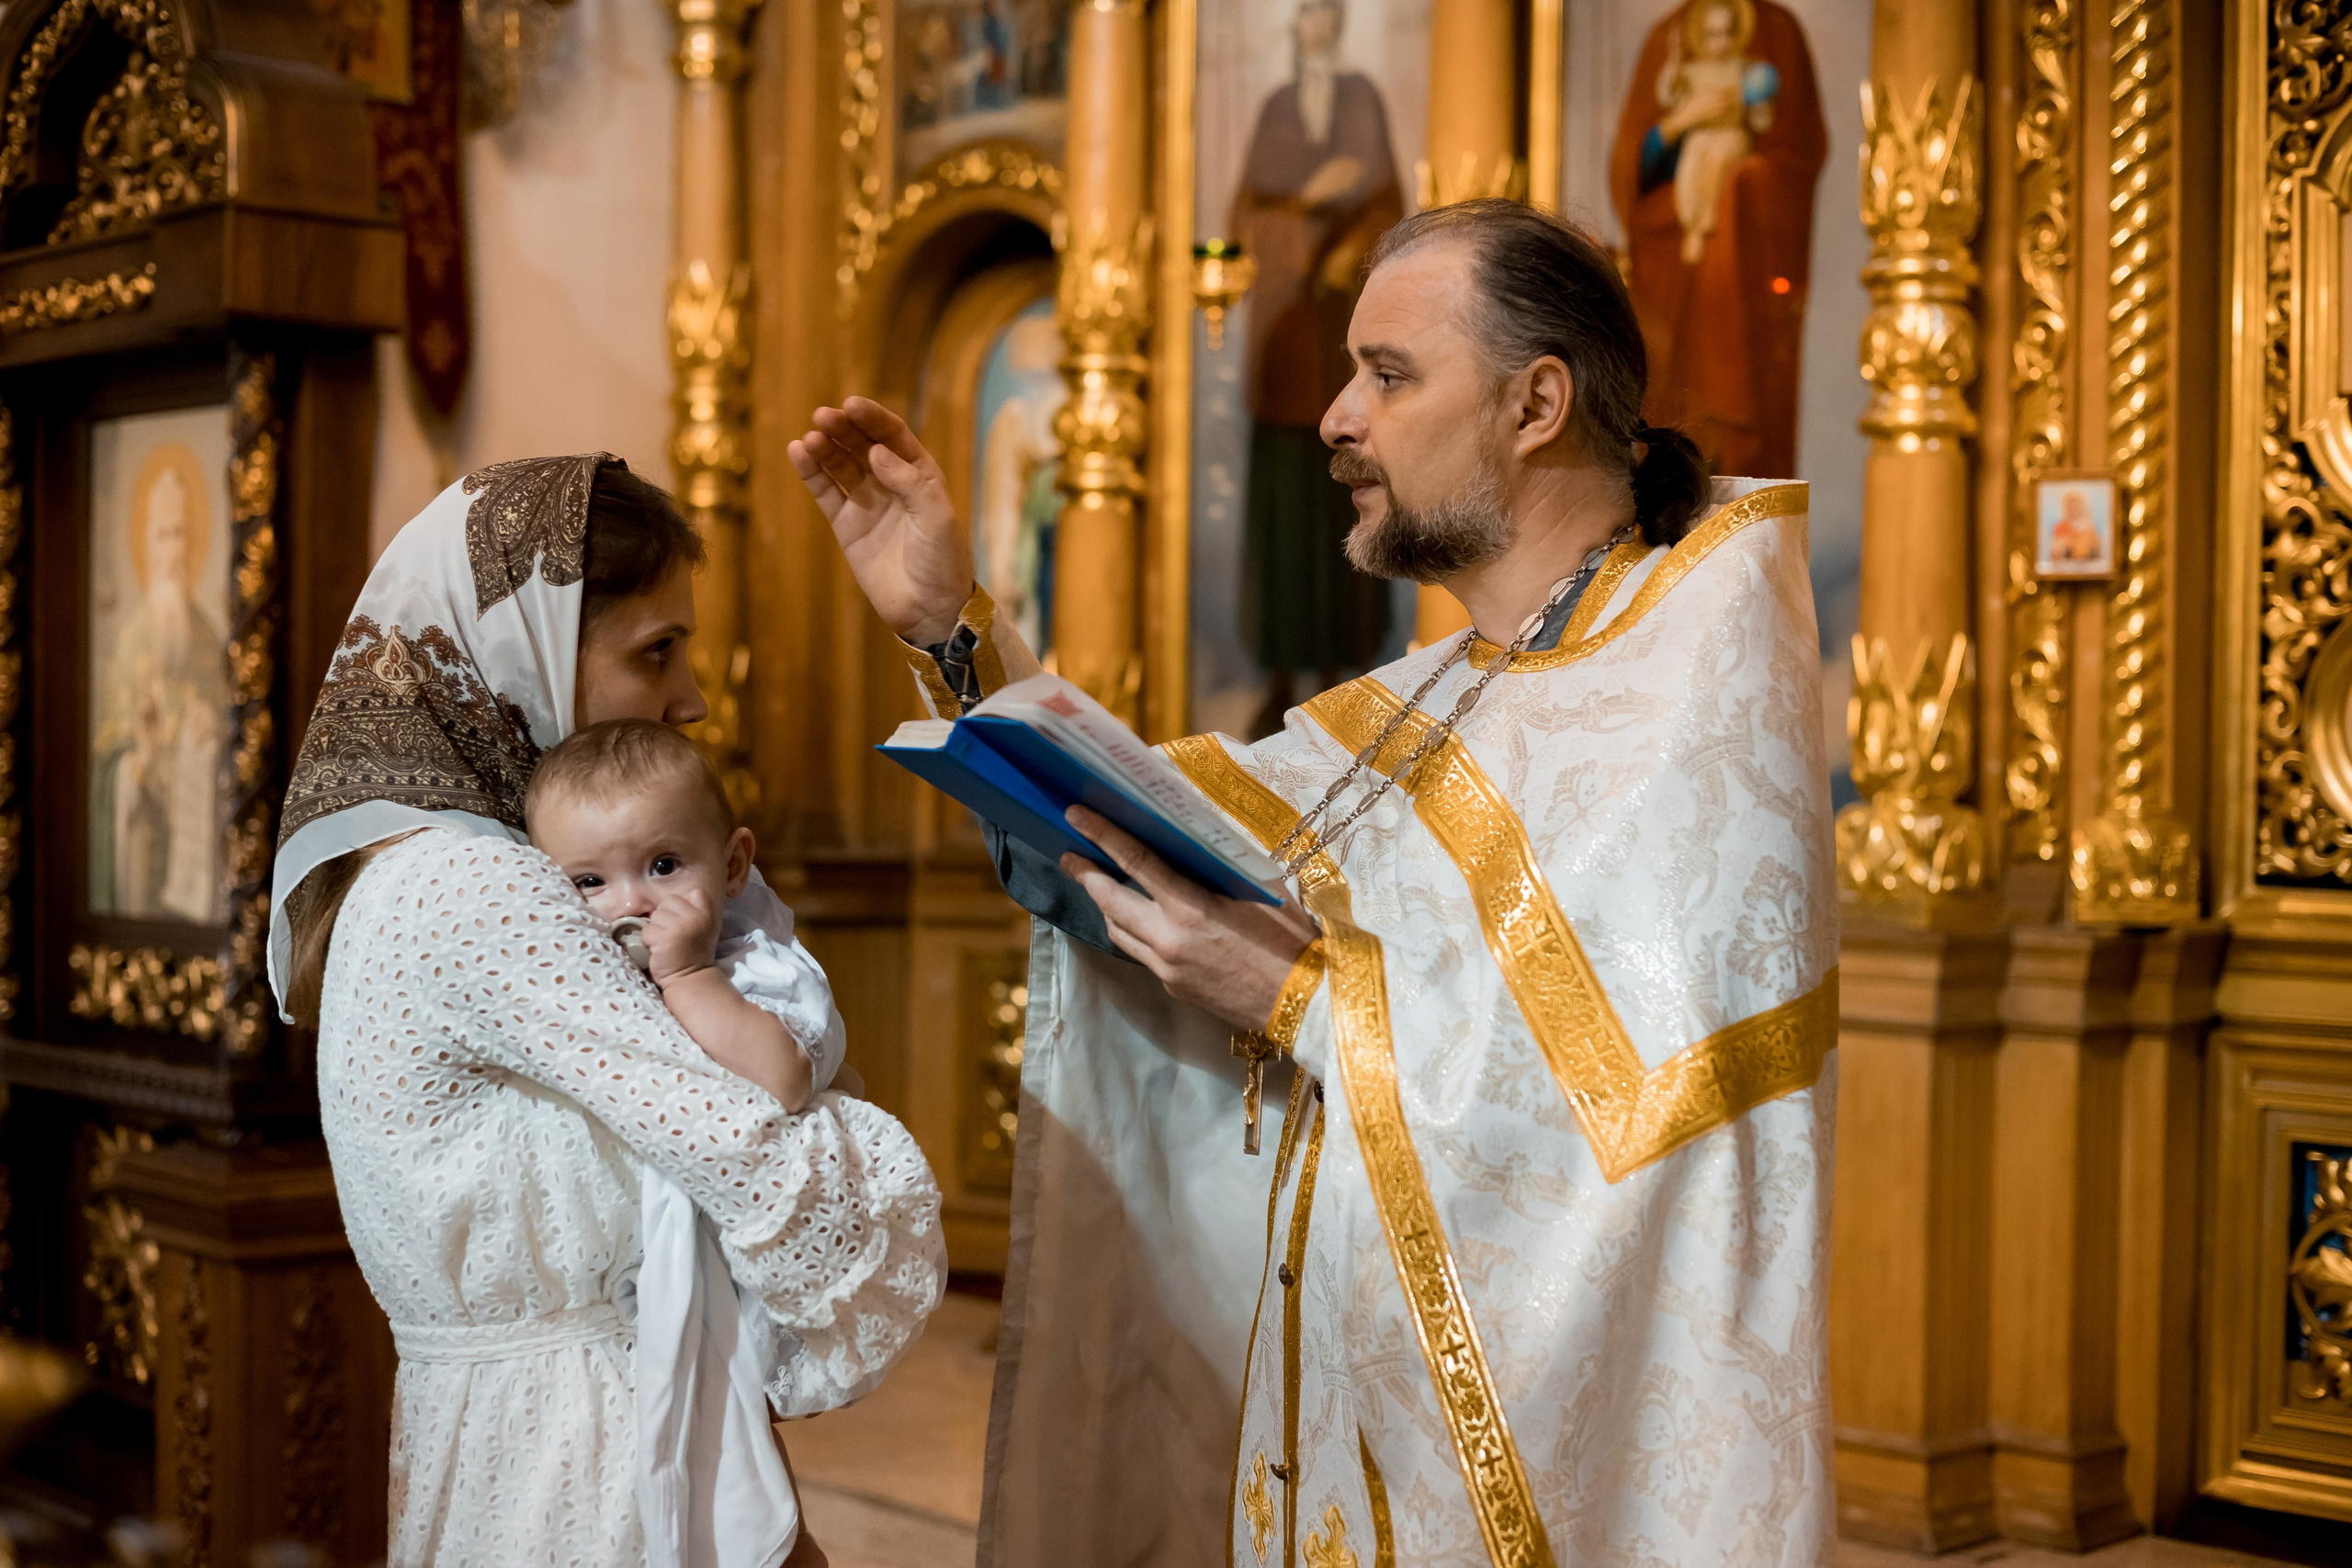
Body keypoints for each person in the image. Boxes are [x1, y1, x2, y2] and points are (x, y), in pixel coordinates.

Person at [792, 198, 1837, 1564]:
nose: (1336, 417)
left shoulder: (1693, 682)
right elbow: (1149, 831)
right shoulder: (1449, 689)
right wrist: (948, 623)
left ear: (1535, 402)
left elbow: (1627, 1128)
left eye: (1388, 374)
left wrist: (1298, 996)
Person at [270, 455, 944, 1568]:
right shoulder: (473, 885)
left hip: (533, 1435)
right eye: (655, 651)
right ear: (522, 650)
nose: (691, 697)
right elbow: (766, 1154)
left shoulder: (414, 870)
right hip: (584, 1468)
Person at [526, 716, 854, 1568]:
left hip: (738, 1275)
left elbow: (782, 1075)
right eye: (588, 881)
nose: (631, 902)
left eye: (664, 866)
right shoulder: (582, 977)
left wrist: (689, 977)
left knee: (735, 1479)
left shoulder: (758, 967)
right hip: (619, 1289)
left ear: (734, 863)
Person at [1231, 0, 1403, 731]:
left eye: (1329, 11)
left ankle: (1344, 669)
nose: (1318, 23)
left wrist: (1350, 246)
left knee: (1351, 499)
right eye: (1307, 12)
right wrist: (1309, 205)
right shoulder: (1277, 107)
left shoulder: (1361, 97)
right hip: (1283, 347)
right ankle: (1280, 673)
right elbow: (1246, 216)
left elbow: (1391, 204)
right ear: (1295, 26)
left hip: (1344, 342)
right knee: (1285, 516)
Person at [1610, 0, 1825, 479]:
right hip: (1670, 268)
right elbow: (1633, 168)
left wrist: (1741, 183)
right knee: (1670, 416)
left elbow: (1797, 153)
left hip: (1747, 265)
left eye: (1728, 33)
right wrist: (1679, 125)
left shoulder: (1777, 35)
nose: (1720, 40)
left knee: (1737, 417)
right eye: (1712, 34)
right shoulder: (1667, 39)